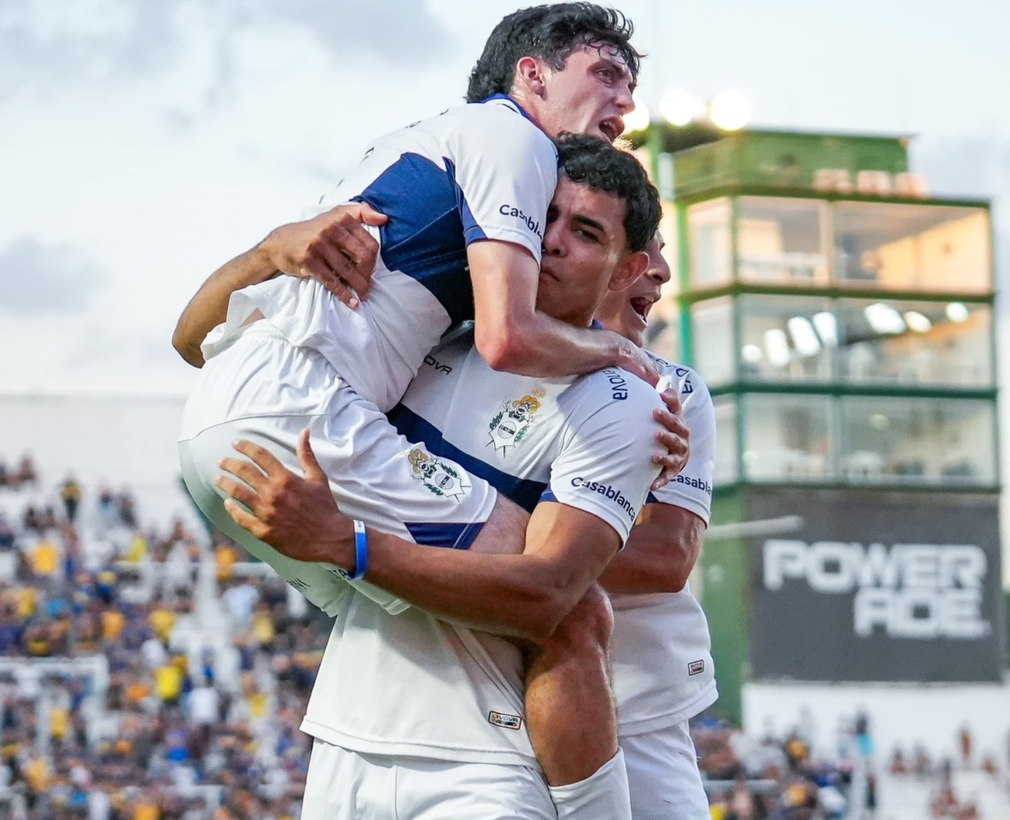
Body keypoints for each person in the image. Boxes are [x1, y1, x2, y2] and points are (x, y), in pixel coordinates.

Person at [188, 136, 664, 819]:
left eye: (585, 232)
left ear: (628, 269)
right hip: (345, 748)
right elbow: (199, 345)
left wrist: (346, 543)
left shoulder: (619, 404)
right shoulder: (429, 339)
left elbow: (551, 597)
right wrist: (271, 250)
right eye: (543, 217)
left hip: (478, 766)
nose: (551, 242)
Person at [176, 2, 682, 619]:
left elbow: (189, 341)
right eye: (605, 74)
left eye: (631, 87)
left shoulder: (428, 146)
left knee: (427, 619)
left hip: (221, 420)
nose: (625, 102)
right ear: (533, 74)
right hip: (302, 419)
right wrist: (628, 359)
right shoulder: (514, 139)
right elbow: (508, 339)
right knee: (548, 594)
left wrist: (265, 252)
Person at [594, 234, 719, 818]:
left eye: (665, 248)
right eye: (641, 249)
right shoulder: (473, 359)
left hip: (638, 710)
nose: (663, 271)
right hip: (488, 709)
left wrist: (492, 548)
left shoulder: (676, 388)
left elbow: (667, 559)